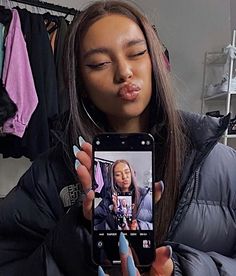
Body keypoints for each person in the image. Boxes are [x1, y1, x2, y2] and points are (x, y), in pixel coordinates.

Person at [0, 0, 236, 275]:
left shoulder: (223, 166)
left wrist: (181, 269)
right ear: (81, 83)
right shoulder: (49, 176)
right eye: (99, 63)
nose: (124, 72)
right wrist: (82, 230)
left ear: (156, 62)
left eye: (136, 53)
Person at [94, 159, 152, 230]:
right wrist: (113, 214)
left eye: (127, 172)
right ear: (114, 179)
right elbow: (95, 225)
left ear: (132, 174)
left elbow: (157, 225)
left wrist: (138, 227)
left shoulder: (146, 197)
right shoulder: (108, 199)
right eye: (118, 174)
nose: (124, 177)